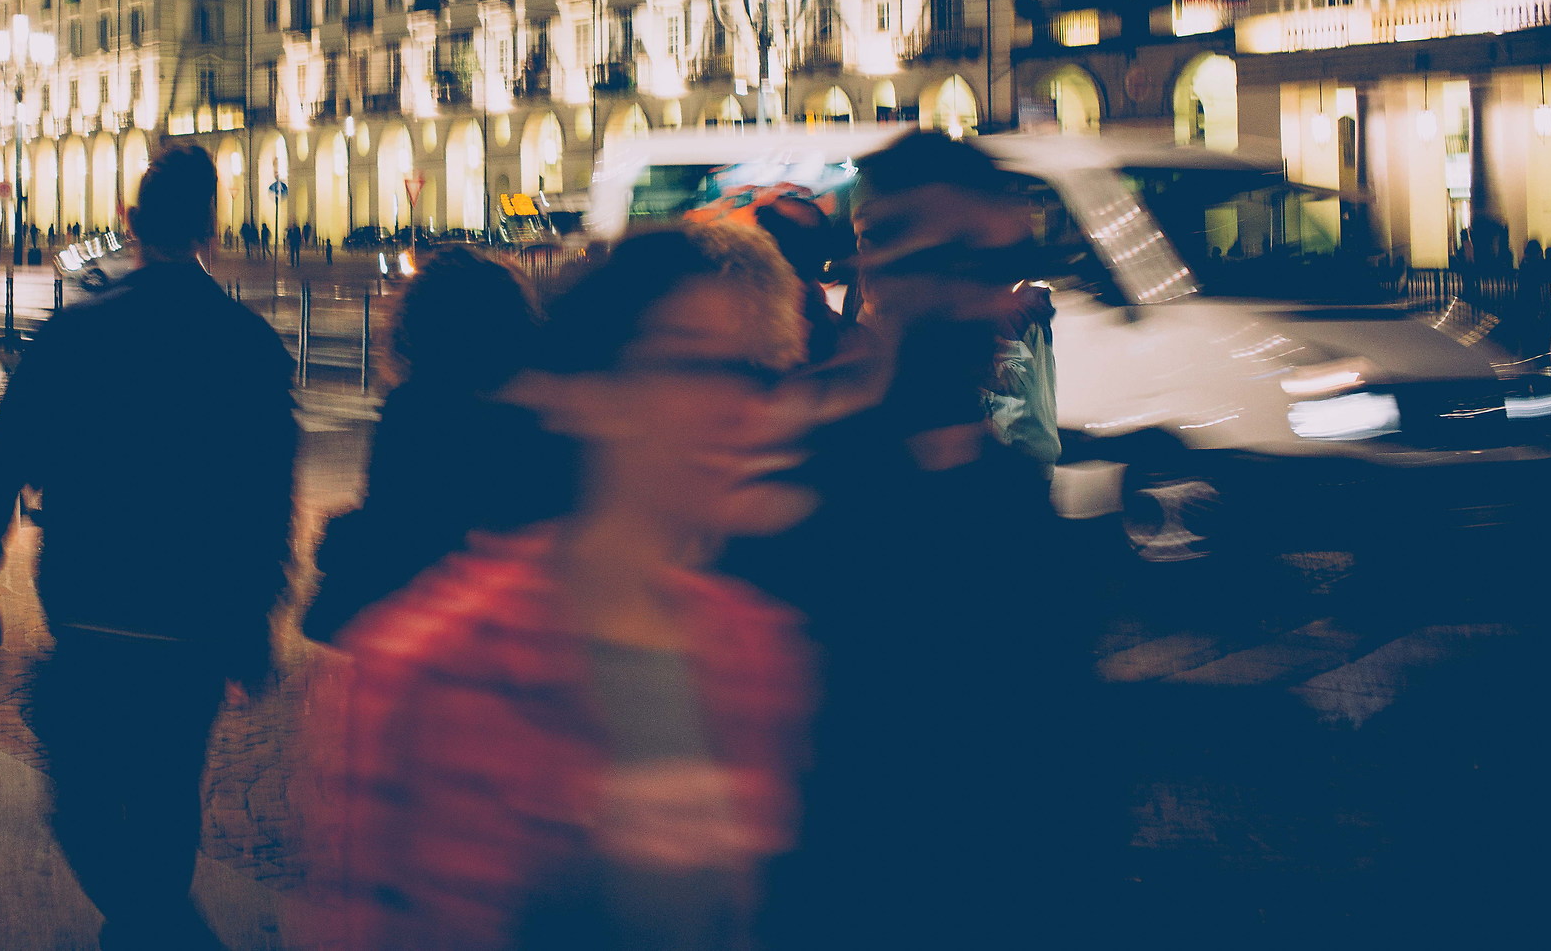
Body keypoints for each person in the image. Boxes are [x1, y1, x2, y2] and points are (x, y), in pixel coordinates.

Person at [315, 223, 855, 950]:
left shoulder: (759, 652)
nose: (740, 409)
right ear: (595, 391)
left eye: (759, 374)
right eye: (694, 365)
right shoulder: (438, 668)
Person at [721, 131, 1105, 943]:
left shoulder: (1003, 488)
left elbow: (1055, 763)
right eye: (949, 259)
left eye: (996, 263)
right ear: (875, 260)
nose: (981, 295)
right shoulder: (789, 469)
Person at [0, 145, 297, 950]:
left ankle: (149, 928)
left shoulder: (74, 333)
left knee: (81, 800)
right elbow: (269, 500)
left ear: (130, 223)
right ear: (212, 227)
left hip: (91, 604)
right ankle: (153, 926)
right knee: (169, 792)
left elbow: (0, 462)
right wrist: (256, 618)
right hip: (195, 620)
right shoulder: (249, 344)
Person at [301, 247, 573, 645]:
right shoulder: (543, 407)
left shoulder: (418, 408)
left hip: (437, 626)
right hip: (523, 623)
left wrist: (338, 539)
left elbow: (395, 525)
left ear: (419, 324)